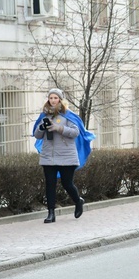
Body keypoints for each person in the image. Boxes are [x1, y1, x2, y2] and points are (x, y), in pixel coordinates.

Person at [32, 88, 95, 224]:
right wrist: (41, 128)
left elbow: (75, 132)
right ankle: (51, 213)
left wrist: (59, 128)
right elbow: (37, 135)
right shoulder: (44, 116)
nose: (53, 100)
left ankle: (78, 201)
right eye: (51, 98)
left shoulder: (68, 115)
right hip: (48, 156)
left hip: (67, 156)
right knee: (50, 184)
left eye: (55, 98)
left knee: (67, 183)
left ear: (60, 99)